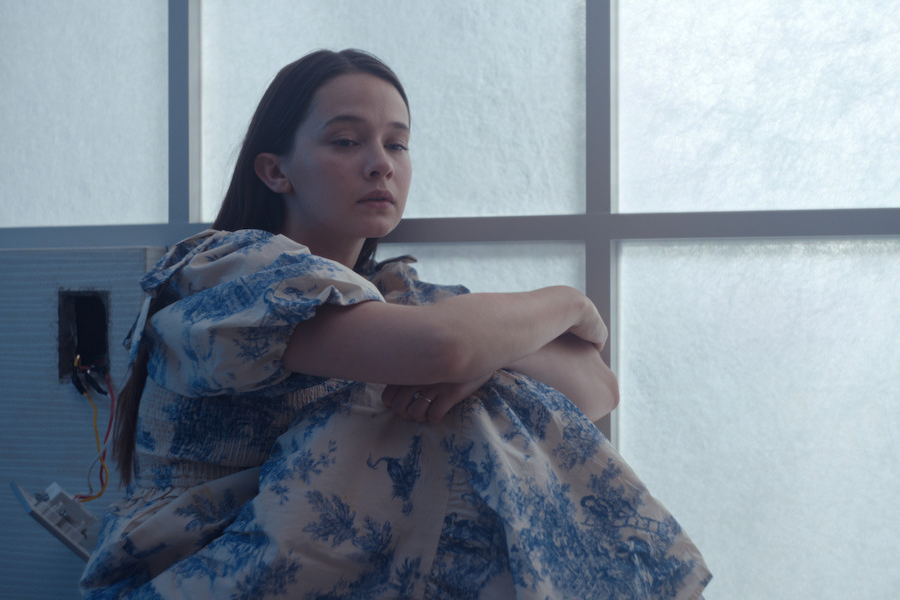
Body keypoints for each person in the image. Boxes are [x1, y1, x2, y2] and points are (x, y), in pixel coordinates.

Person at [80, 49, 711, 599]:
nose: (380, 164)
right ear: (276, 171)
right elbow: (445, 346)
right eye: (346, 141)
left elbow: (595, 388)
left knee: (482, 394)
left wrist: (483, 361)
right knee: (442, 410)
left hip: (322, 566)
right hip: (197, 567)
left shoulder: (394, 297)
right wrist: (569, 303)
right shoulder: (225, 273)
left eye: (397, 144)